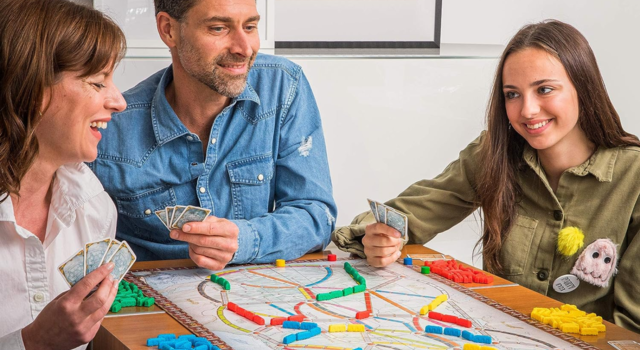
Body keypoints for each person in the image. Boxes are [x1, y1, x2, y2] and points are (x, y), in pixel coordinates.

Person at [332, 20, 640, 332]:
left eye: (544, 89)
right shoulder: (493, 154)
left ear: (583, 87)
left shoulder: (635, 177)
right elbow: (410, 214)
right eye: (512, 94)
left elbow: (631, 331)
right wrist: (376, 238)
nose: (528, 110)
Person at [89, 0, 337, 270]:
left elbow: (316, 215)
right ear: (168, 30)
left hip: (255, 301)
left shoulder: (284, 86)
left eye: (250, 26)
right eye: (219, 28)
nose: (244, 49)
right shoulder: (110, 126)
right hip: (149, 306)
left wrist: (243, 240)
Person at [0, 0, 128, 350]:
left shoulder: (96, 209)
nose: (119, 101)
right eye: (98, 82)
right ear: (32, 88)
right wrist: (33, 345)